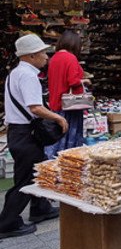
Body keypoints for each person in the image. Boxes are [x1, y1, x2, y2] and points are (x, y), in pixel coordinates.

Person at [0, 34, 68, 238]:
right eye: (42, 53)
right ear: (30, 56)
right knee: (25, 179)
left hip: (18, 132)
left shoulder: (15, 73)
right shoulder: (29, 76)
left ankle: (41, 208)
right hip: (25, 133)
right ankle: (7, 222)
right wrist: (58, 118)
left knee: (37, 170)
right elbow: (35, 107)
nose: (46, 57)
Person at [46, 30, 90, 158]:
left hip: (56, 103)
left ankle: (52, 167)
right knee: (70, 143)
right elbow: (73, 81)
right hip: (70, 105)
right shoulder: (71, 58)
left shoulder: (54, 58)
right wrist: (84, 81)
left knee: (56, 141)